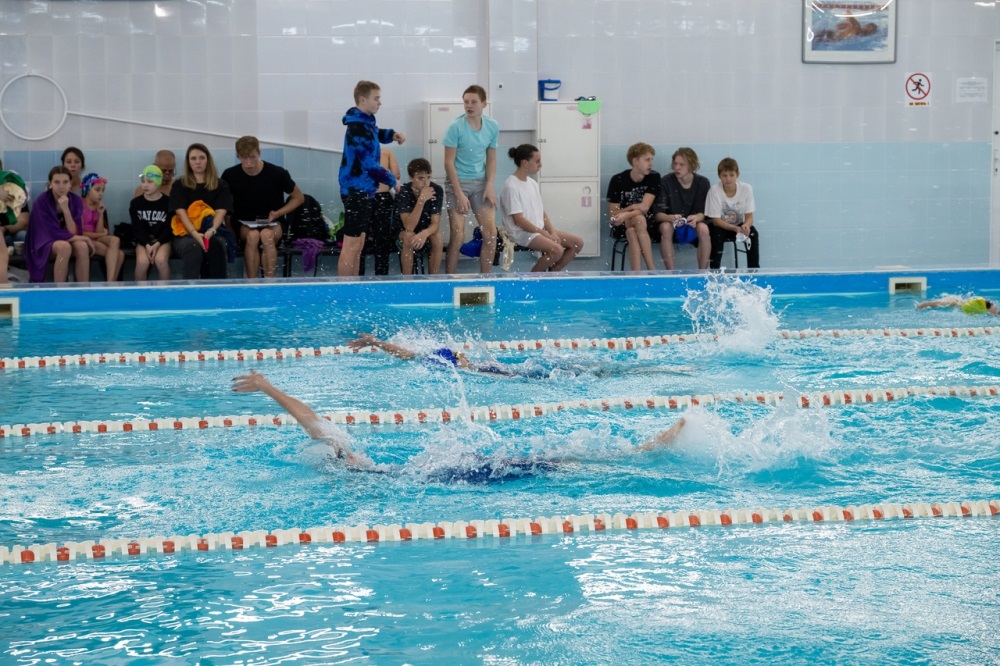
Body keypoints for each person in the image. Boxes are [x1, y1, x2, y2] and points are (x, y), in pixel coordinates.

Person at [231, 369, 686, 479]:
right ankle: (640, 453)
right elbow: (315, 426)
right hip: (449, 473)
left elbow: (315, 424)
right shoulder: (366, 471)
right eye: (345, 451)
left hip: (447, 473)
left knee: (546, 460)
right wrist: (269, 389)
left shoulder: (360, 468)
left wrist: (270, 387)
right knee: (546, 460)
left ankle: (641, 453)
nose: (351, 447)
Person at [338, 80, 406, 277]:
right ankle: (344, 290)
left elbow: (377, 135)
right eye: (376, 98)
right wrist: (393, 181)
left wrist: (392, 135)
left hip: (364, 190)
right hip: (354, 190)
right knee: (351, 243)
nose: (379, 102)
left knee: (359, 242)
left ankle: (354, 285)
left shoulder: (365, 123)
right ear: (363, 99)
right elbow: (369, 165)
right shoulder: (357, 128)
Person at [221, 136, 304, 278]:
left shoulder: (277, 173)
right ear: (238, 156)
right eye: (243, 158)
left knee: (267, 235)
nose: (249, 163)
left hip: (273, 221)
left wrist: (278, 213)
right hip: (243, 223)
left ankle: (269, 283)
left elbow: (298, 198)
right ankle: (252, 284)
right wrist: (231, 233)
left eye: (252, 157)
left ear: (259, 153)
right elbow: (224, 209)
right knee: (253, 236)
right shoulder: (230, 175)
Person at [443, 84, 500, 275]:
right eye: (466, 102)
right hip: (457, 183)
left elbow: (491, 158)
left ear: (483, 103)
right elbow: (448, 163)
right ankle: (450, 278)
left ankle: (486, 278)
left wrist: (490, 185)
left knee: (490, 234)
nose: (469, 105)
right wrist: (459, 194)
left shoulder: (492, 126)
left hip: (481, 183)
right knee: (458, 235)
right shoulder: (455, 127)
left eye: (474, 101)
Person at [500, 144, 583, 272]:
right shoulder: (511, 186)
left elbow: (541, 212)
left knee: (577, 243)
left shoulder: (532, 183)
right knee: (557, 250)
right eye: (537, 161)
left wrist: (552, 232)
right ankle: (531, 282)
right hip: (521, 233)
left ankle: (553, 273)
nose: (541, 164)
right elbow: (519, 221)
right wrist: (545, 234)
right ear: (525, 163)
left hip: (537, 231)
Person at [169, 143, 231, 280]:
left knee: (218, 243)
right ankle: (190, 291)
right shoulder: (179, 185)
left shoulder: (220, 185)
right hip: (185, 233)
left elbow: (221, 211)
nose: (198, 162)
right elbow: (181, 212)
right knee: (194, 246)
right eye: (194, 158)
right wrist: (195, 233)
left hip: (212, 231)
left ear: (208, 160)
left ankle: (217, 289)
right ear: (188, 162)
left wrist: (212, 230)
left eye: (202, 158)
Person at [24, 166, 95, 283]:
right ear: (50, 184)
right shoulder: (41, 202)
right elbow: (49, 233)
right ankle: (59, 290)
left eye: (65, 182)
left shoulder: (76, 200)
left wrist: (66, 210)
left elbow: (74, 231)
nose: (61, 186)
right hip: (42, 242)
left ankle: (84, 288)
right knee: (64, 247)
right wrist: (83, 237)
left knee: (82, 246)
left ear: (70, 184)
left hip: (66, 238)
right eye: (57, 182)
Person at [653, 147, 712, 270]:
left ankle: (702, 272)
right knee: (665, 227)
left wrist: (696, 217)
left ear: (691, 166)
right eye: (675, 164)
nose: (677, 168)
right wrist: (670, 217)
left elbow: (704, 213)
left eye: (681, 165)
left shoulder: (702, 183)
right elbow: (658, 214)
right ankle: (671, 273)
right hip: (672, 224)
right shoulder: (666, 182)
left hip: (692, 225)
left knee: (704, 229)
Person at [607, 142, 661, 271]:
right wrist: (632, 207)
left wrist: (626, 213)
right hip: (621, 224)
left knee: (633, 229)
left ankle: (636, 274)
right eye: (647, 160)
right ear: (635, 161)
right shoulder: (617, 180)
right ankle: (651, 270)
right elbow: (613, 215)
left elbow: (645, 208)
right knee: (637, 220)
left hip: (648, 223)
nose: (651, 163)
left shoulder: (654, 177)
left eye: (652, 159)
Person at [706, 157, 760, 269]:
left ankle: (754, 270)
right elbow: (716, 221)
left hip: (740, 225)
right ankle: (715, 271)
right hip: (721, 226)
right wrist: (735, 229)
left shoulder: (746, 189)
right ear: (719, 176)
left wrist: (746, 226)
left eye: (731, 175)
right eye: (724, 175)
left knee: (753, 233)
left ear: (737, 175)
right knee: (716, 235)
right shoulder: (714, 190)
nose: (728, 179)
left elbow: (750, 217)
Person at [396, 158, 443, 275]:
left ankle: (434, 280)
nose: (426, 183)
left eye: (428, 177)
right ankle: (407, 282)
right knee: (408, 236)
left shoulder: (436, 190)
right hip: (403, 230)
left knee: (437, 238)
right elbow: (409, 226)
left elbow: (435, 224)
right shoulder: (403, 191)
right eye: (421, 178)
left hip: (425, 229)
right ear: (411, 178)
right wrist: (421, 200)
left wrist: (424, 234)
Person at [129, 165, 173, 280]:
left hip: (163, 241)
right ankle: (140, 294)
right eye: (143, 181)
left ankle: (165, 293)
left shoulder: (168, 203)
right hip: (143, 241)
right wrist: (147, 244)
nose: (145, 185)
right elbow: (137, 229)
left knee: (161, 260)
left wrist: (158, 243)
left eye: (150, 182)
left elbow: (168, 229)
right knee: (142, 262)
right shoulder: (135, 203)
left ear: (158, 183)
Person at [79, 173, 124, 281]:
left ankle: (110, 282)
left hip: (96, 238)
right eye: (97, 190)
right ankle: (110, 283)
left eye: (103, 190)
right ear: (88, 190)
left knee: (115, 240)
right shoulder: (80, 205)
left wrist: (100, 214)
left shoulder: (98, 206)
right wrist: (102, 234)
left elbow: (99, 230)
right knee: (120, 254)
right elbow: (80, 232)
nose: (101, 194)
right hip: (84, 240)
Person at [365, 148, 400, 276]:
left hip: (363, 197)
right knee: (382, 242)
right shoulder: (386, 152)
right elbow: (396, 175)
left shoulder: (358, 150)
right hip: (382, 198)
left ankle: (356, 278)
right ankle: (381, 276)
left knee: (359, 242)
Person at [917, 296, 998, 316]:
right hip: (956, 302)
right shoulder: (983, 303)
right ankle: (925, 304)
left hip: (961, 305)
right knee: (941, 304)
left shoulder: (987, 311)